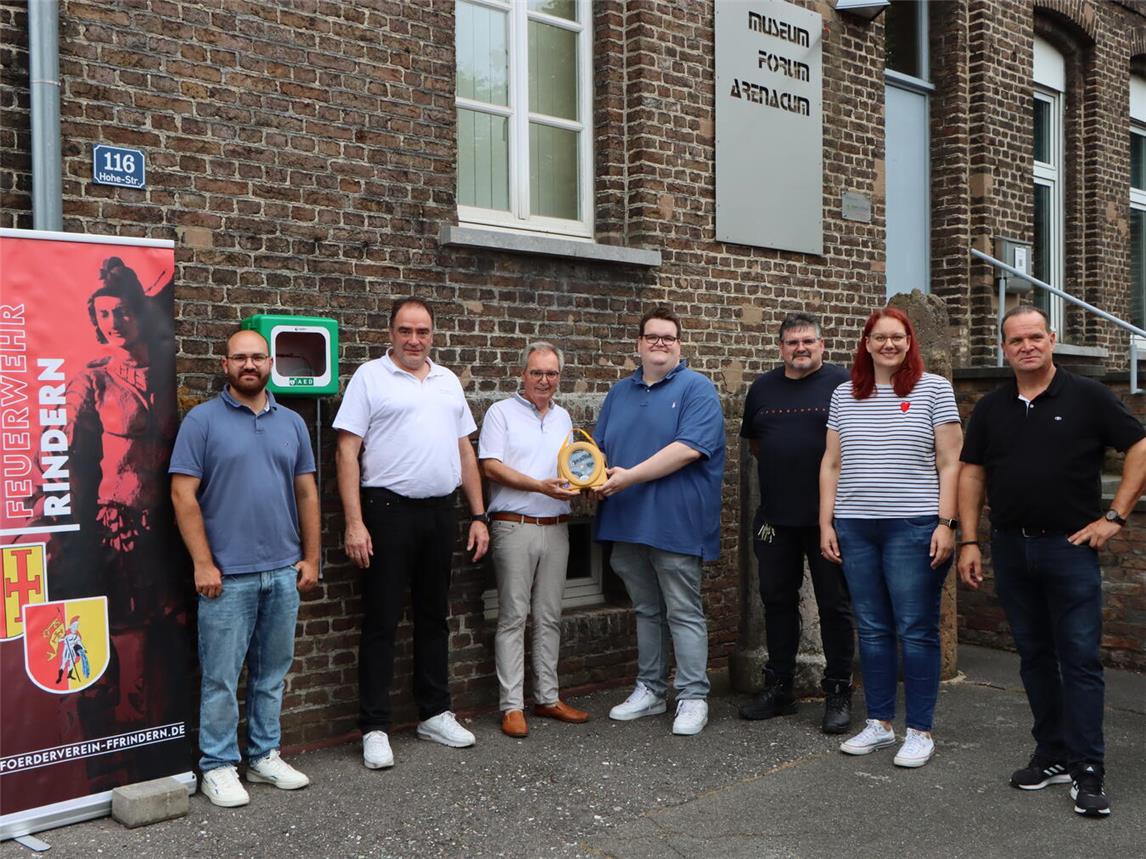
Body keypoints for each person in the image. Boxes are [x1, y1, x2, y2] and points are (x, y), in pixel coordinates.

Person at [957, 305, 1146, 818]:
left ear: (1052, 338)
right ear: (1004, 349)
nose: (1027, 346)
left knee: (1080, 660)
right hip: (1011, 548)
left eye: (1035, 337)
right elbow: (972, 472)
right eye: (1016, 340)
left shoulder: (1088, 395)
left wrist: (1115, 516)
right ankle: (1053, 752)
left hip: (1070, 548)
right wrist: (969, 540)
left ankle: (1088, 768)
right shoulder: (991, 407)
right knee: (1034, 656)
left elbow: (1139, 446)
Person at [334, 297, 489, 770]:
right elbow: (346, 451)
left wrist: (478, 514)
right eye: (405, 330)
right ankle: (374, 727)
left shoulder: (447, 382)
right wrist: (354, 522)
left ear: (433, 335)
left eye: (422, 331)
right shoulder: (370, 377)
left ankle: (435, 712)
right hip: (387, 512)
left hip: (440, 513)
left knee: (434, 616)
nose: (414, 340)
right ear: (391, 333)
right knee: (381, 620)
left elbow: (465, 450)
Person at [170, 329, 320, 808]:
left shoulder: (292, 423)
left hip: (282, 570)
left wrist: (312, 556)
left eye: (257, 357)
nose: (249, 365)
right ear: (225, 364)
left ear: (271, 363)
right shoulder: (202, 421)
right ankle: (217, 765)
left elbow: (306, 492)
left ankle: (262, 755)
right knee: (221, 677)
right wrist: (203, 563)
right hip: (226, 576)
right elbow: (182, 494)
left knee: (271, 673)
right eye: (240, 357)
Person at [819, 306, 962, 768]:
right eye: (879, 337)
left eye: (897, 337)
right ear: (866, 344)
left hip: (914, 526)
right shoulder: (844, 394)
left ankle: (919, 731)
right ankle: (879, 724)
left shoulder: (934, 389)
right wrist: (826, 523)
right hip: (855, 526)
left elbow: (950, 463)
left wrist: (946, 523)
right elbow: (832, 463)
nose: (888, 344)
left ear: (909, 342)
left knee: (916, 630)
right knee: (872, 628)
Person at [594, 307, 726, 737]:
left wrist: (629, 476)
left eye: (668, 337)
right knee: (647, 610)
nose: (660, 343)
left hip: (675, 522)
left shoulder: (697, 389)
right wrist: (586, 477)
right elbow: (599, 450)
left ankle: (692, 695)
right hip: (626, 520)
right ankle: (651, 689)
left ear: (679, 345)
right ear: (639, 343)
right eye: (652, 336)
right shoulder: (619, 393)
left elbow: (687, 449)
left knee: (683, 610)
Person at [738, 313, 854, 733]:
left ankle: (838, 689)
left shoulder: (843, 384)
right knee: (776, 601)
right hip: (775, 520)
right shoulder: (763, 389)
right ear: (781, 348)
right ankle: (780, 688)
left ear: (822, 345)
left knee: (834, 606)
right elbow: (757, 445)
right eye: (792, 342)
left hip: (830, 521)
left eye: (808, 341)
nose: (800, 348)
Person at [478, 342, 589, 738]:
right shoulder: (500, 413)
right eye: (537, 372)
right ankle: (512, 706)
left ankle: (547, 697)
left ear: (560, 377)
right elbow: (490, 467)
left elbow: (572, 467)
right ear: (522, 375)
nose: (544, 380)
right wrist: (540, 486)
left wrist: (587, 481)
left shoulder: (563, 418)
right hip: (515, 525)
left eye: (552, 373)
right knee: (513, 616)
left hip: (557, 526)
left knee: (549, 616)